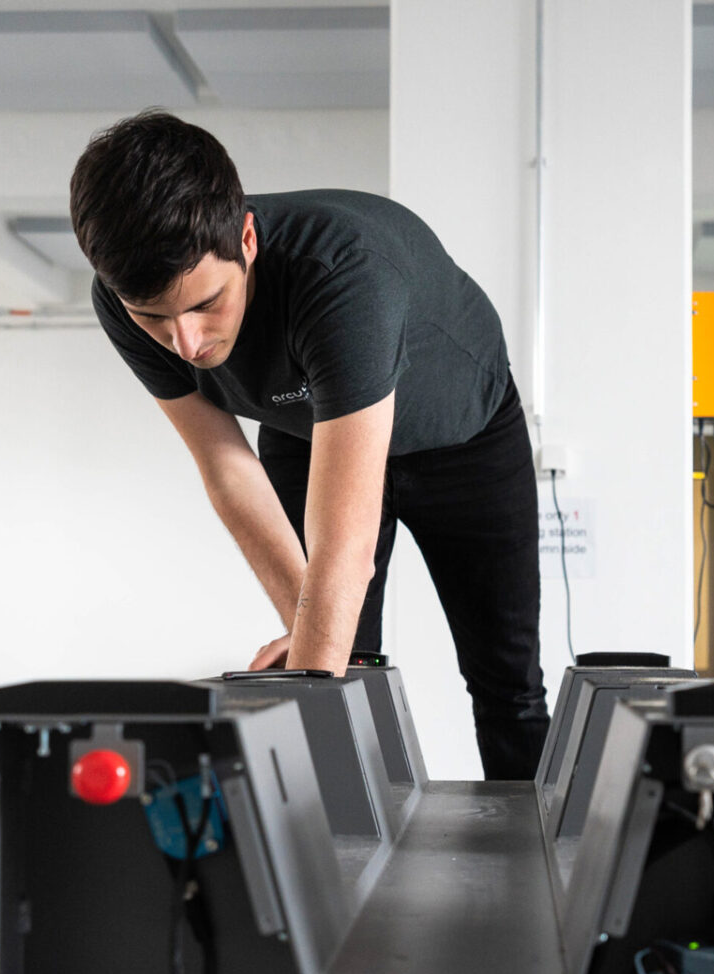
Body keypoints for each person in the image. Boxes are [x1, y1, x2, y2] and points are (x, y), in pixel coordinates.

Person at [70, 111, 549, 781]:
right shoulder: (119, 301)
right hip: (307, 430)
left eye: (207, 303)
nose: (187, 344)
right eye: (155, 317)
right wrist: (314, 646)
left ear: (246, 240)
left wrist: (314, 674)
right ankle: (356, 852)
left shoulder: (342, 271)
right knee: (344, 661)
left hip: (463, 439)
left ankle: (543, 867)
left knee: (507, 680)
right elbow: (225, 466)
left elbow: (343, 549)